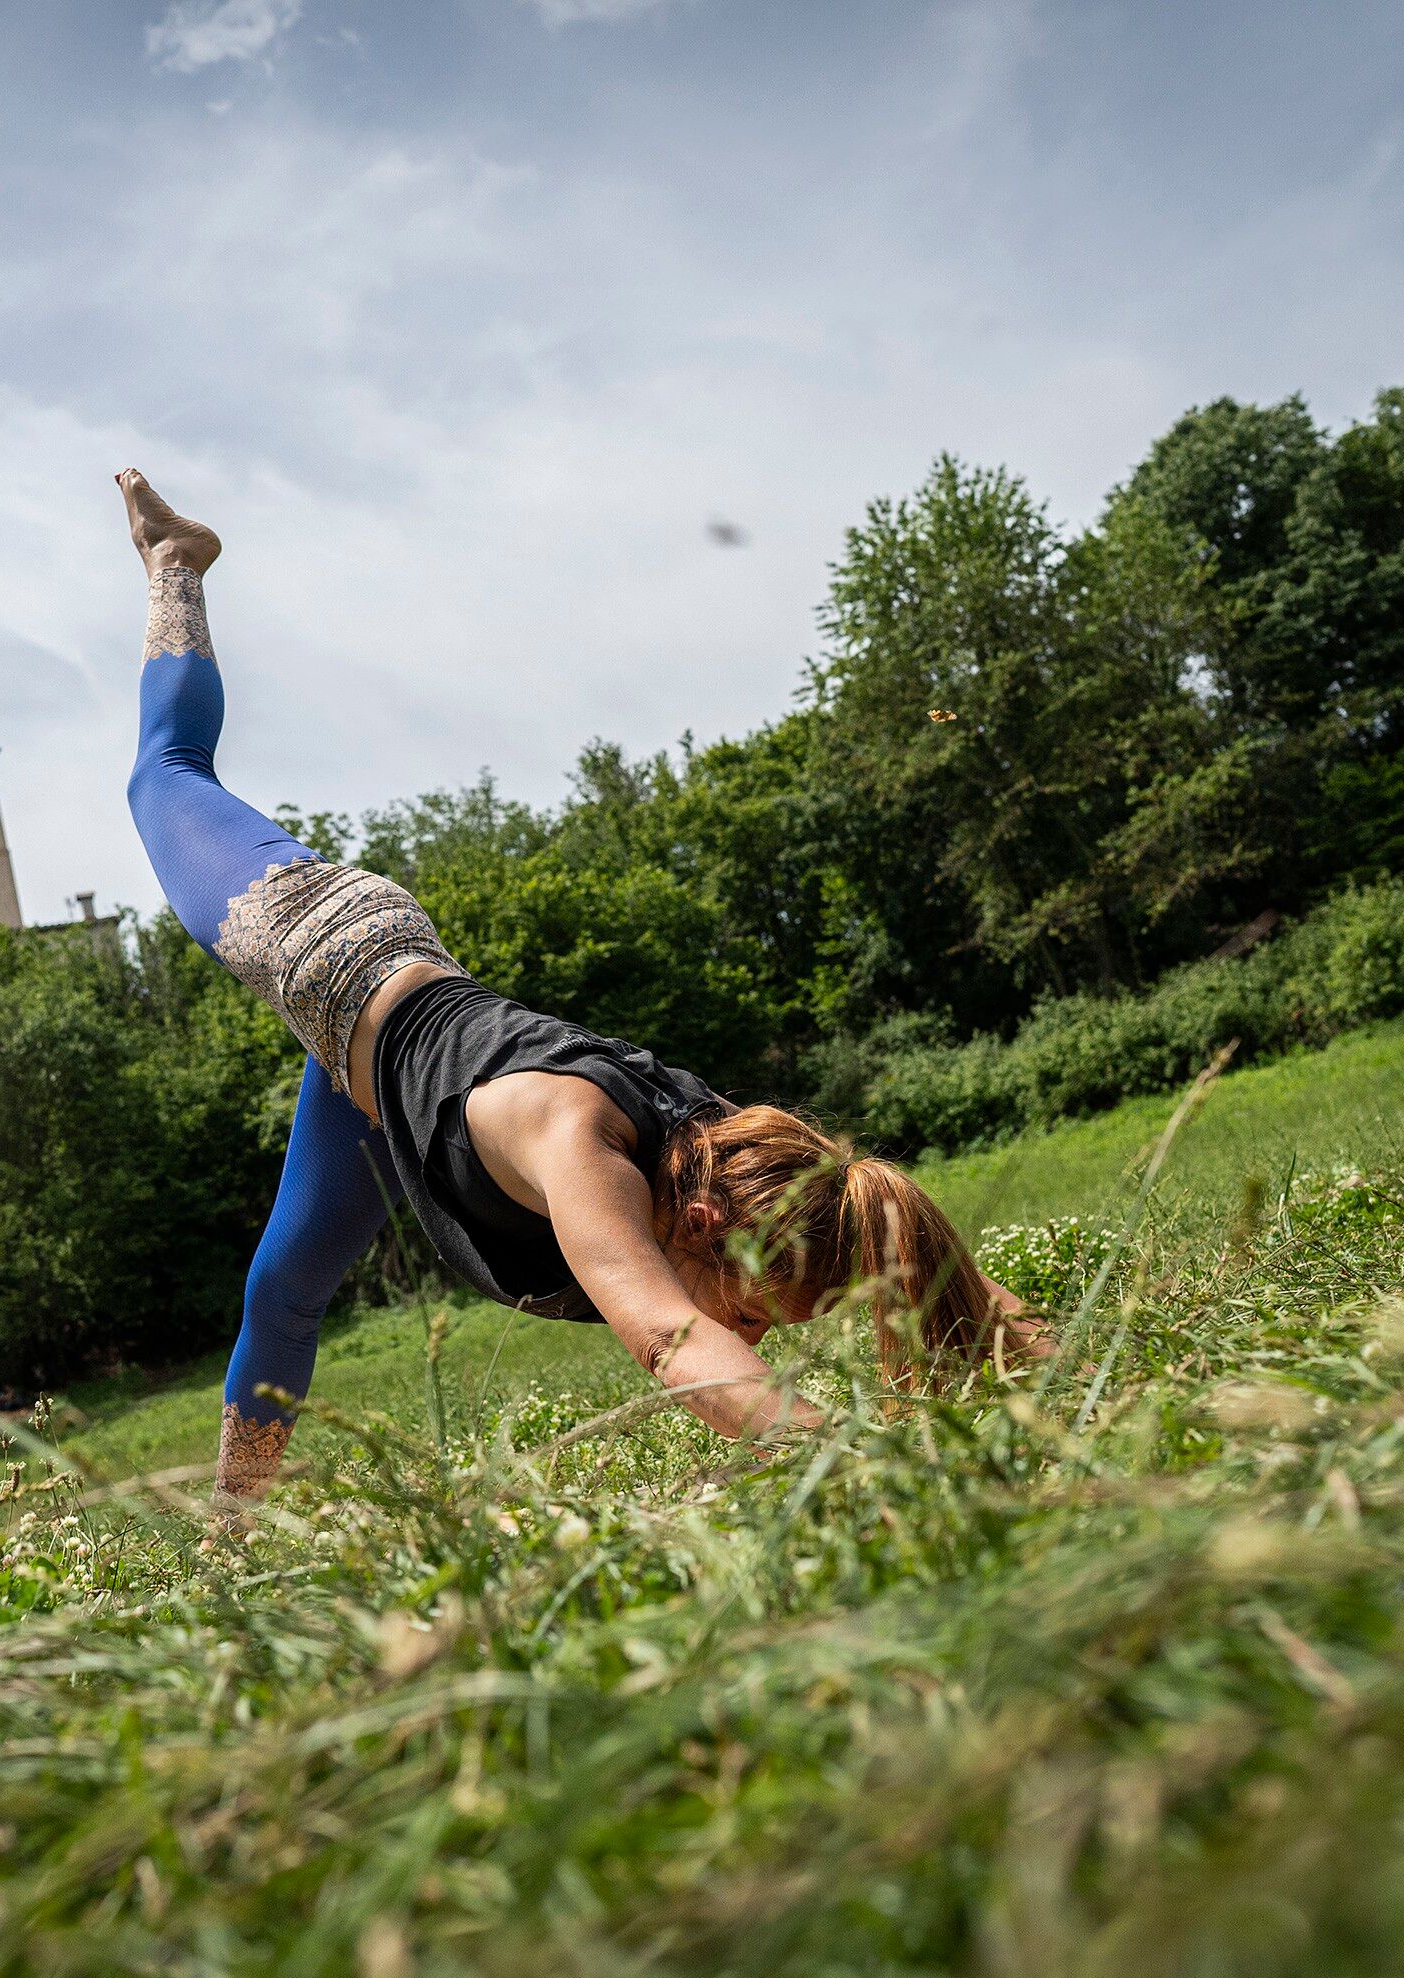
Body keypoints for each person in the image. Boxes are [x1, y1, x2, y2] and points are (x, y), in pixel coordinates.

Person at [114, 469, 1037, 1502]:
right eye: (763, 1311)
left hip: (380, 1058)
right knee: (166, 774)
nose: (763, 1336)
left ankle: (225, 1541)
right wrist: (863, 1465)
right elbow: (672, 1343)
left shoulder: (732, 1149)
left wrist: (1048, 1360)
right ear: (696, 1225)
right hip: (320, 938)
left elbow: (905, 1232)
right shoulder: (580, 1148)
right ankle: (177, 561)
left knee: (283, 1289)